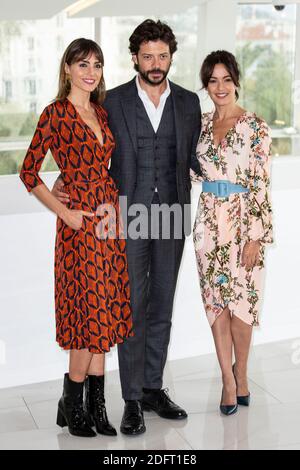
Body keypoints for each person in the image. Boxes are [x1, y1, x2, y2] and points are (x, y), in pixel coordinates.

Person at [52, 19, 202, 435]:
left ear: (171, 58)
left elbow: (198, 156)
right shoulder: (112, 102)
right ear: (134, 57)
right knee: (131, 306)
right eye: (148, 56)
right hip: (126, 215)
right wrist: (62, 178)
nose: (156, 64)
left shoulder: (189, 103)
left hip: (171, 214)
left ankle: (153, 388)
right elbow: (86, 147)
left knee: (162, 306)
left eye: (163, 56)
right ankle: (132, 398)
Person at [19, 38, 133, 437]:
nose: (91, 72)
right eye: (82, 64)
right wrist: (64, 210)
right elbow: (28, 172)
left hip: (108, 223)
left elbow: (99, 166)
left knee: (104, 313)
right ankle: (71, 403)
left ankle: (97, 408)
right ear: (67, 68)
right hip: (79, 228)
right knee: (86, 316)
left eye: (97, 65)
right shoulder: (55, 114)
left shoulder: (100, 112)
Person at [191, 50, 273, 415]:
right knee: (216, 305)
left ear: (236, 81)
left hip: (243, 225)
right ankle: (227, 379)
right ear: (206, 85)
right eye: (213, 80)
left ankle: (242, 372)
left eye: (226, 79)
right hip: (208, 224)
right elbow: (189, 171)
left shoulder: (255, 126)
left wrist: (257, 235)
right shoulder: (201, 126)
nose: (220, 87)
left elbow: (261, 183)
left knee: (242, 307)